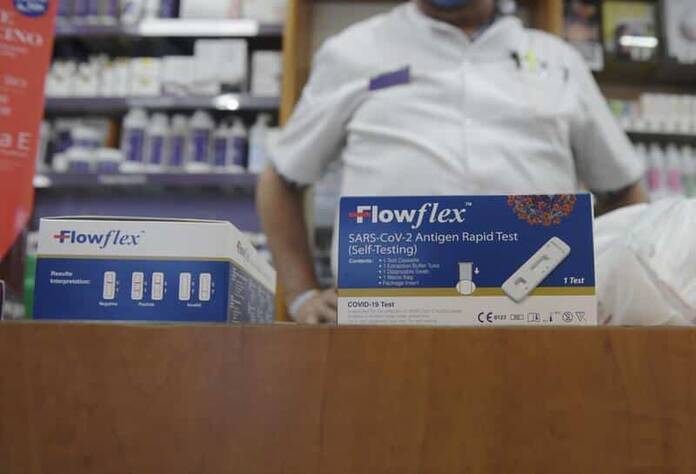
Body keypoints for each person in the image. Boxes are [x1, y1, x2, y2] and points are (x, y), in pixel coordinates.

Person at [257, 0, 647, 324]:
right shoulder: (354, 51)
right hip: (385, 321)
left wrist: (616, 295)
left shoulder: (558, 60)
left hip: (539, 317)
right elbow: (281, 179)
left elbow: (624, 189)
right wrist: (302, 297)